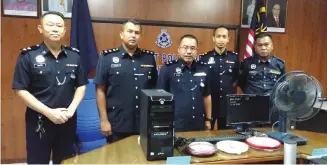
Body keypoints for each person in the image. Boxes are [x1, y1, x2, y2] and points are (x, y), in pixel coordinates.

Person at [12, 11, 88, 164]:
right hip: (39, 121)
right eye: (50, 25)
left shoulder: (75, 56)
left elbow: (81, 85)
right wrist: (49, 112)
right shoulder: (28, 56)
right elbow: (20, 89)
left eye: (59, 26)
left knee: (66, 160)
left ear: (64, 30)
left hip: (67, 119)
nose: (55, 29)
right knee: (38, 161)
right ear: (40, 28)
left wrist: (71, 110)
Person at [94, 20, 158, 143]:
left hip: (143, 123)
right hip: (117, 123)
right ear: (121, 34)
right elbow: (100, 90)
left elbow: (154, 90)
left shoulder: (149, 58)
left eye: (137, 33)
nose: (133, 35)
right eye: (129, 31)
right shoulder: (107, 57)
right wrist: (103, 120)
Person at [157, 34, 212, 132]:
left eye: (192, 48)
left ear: (197, 51)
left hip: (198, 123)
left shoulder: (204, 69)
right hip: (177, 124)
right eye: (185, 48)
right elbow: (160, 99)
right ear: (179, 49)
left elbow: (206, 96)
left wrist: (208, 119)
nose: (189, 51)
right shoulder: (167, 69)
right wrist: (162, 123)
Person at [238, 33, 285, 123]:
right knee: (251, 134)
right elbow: (242, 82)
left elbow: (282, 84)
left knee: (271, 134)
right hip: (251, 107)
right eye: (260, 45)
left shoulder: (280, 64)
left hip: (272, 108)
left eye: (266, 44)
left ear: (272, 46)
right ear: (255, 47)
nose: (263, 48)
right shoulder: (247, 63)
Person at [199, 26, 239, 130]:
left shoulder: (234, 58)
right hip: (209, 104)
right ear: (213, 38)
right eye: (218, 36)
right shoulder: (204, 58)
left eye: (224, 37)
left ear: (228, 39)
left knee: (226, 136)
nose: (221, 40)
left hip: (226, 104)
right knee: (206, 134)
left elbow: (236, 80)